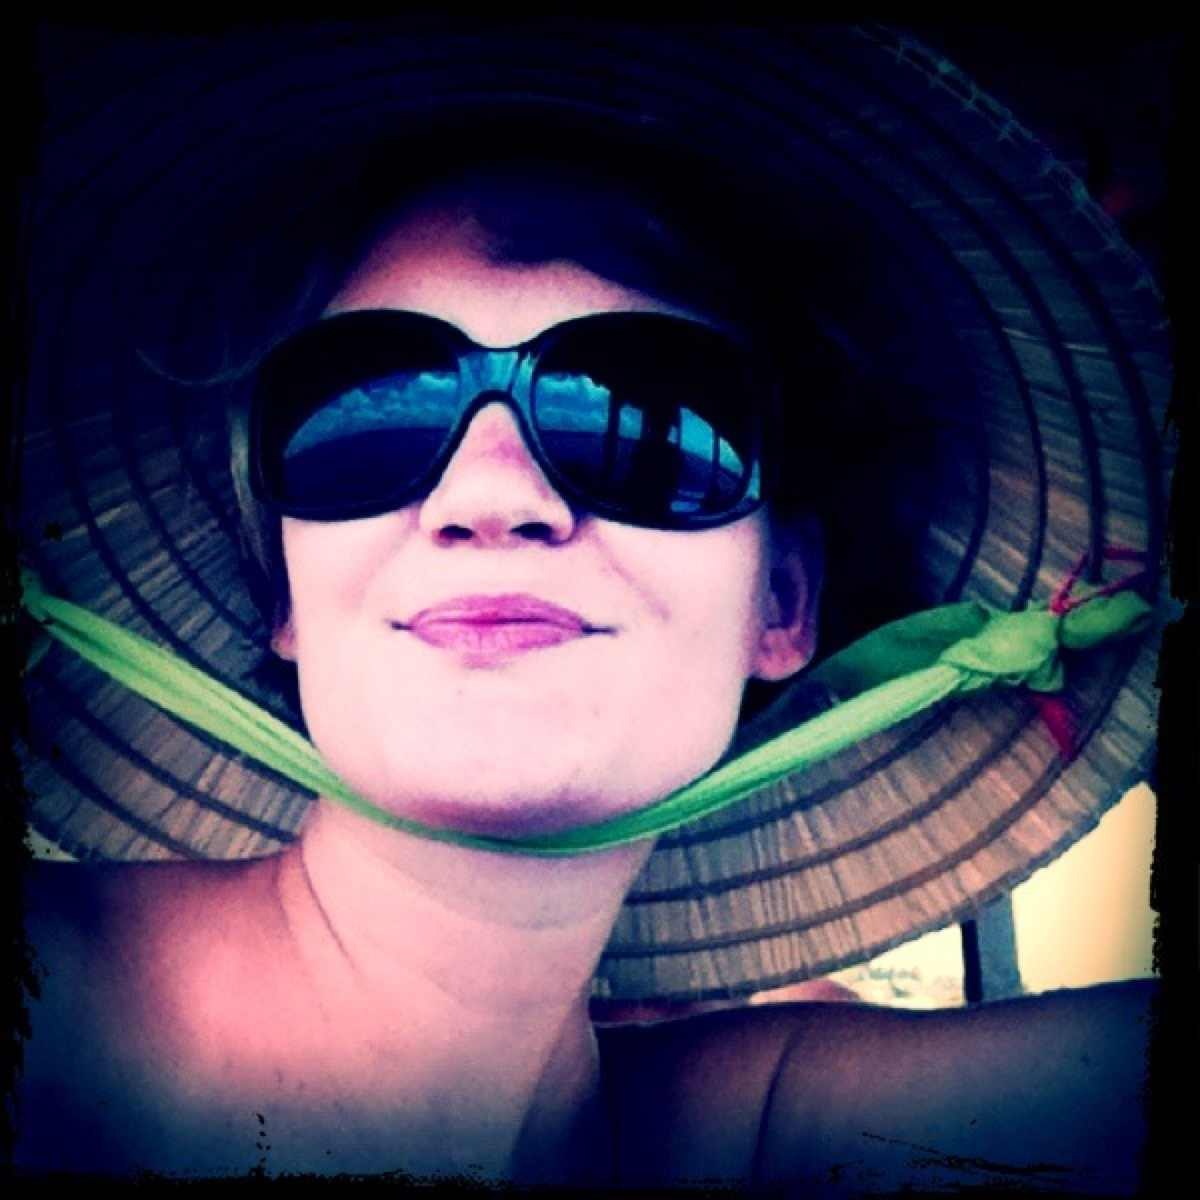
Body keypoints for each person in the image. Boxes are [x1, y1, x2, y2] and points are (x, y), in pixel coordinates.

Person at [11, 23, 1170, 1193]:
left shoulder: (746, 1136)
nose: (491, 497)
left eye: (646, 413)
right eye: (372, 408)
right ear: (286, 596)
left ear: (783, 598)